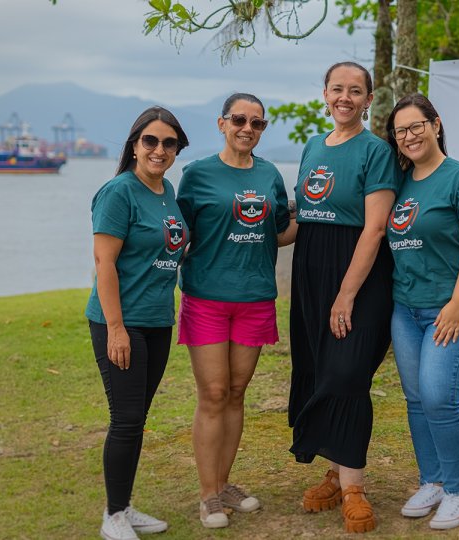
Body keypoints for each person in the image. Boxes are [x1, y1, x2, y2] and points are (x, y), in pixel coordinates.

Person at [288, 62, 402, 534]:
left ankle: (354, 488)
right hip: (310, 273)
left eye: (356, 91)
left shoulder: (377, 151)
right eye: (338, 89)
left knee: (347, 374)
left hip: (359, 275)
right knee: (319, 369)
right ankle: (335, 475)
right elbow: (304, 218)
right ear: (325, 94)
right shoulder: (313, 147)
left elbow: (375, 229)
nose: (345, 98)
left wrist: (346, 295)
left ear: (368, 100)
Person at [176, 93, 296, 529]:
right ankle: (207, 495)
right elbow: (178, 233)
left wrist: (324, 214)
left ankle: (224, 483)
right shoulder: (197, 174)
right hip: (206, 298)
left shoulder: (269, 174)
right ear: (222, 123)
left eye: (257, 123)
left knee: (236, 392)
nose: (248, 128)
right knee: (212, 393)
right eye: (240, 120)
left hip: (255, 297)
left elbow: (279, 232)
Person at [383, 94, 459, 530]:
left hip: (451, 310)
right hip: (406, 310)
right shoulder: (399, 182)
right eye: (401, 131)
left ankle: (458, 492)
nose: (409, 136)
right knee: (415, 399)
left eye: (416, 126)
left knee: (438, 397)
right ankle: (433, 480)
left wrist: (457, 305)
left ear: (436, 124)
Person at [86, 106, 190, 540]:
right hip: (121, 322)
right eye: (150, 141)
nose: (159, 150)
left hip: (157, 320)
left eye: (169, 143)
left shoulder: (167, 191)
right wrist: (116, 328)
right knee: (126, 419)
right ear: (134, 145)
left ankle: (124, 505)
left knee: (137, 417)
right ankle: (113, 516)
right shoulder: (118, 192)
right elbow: (104, 263)